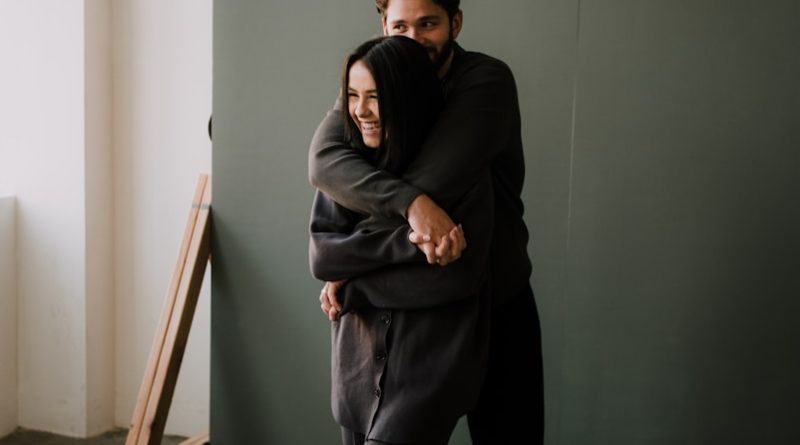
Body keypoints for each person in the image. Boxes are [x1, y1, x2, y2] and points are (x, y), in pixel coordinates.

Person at [309, 1, 544, 444]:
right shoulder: (369, 82)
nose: (413, 38)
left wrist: (351, 265)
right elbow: (325, 163)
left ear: (455, 23)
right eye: (400, 25)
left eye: (428, 24)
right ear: (383, 25)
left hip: (496, 300)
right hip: (402, 313)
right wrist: (412, 206)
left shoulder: (484, 82)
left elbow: (437, 183)